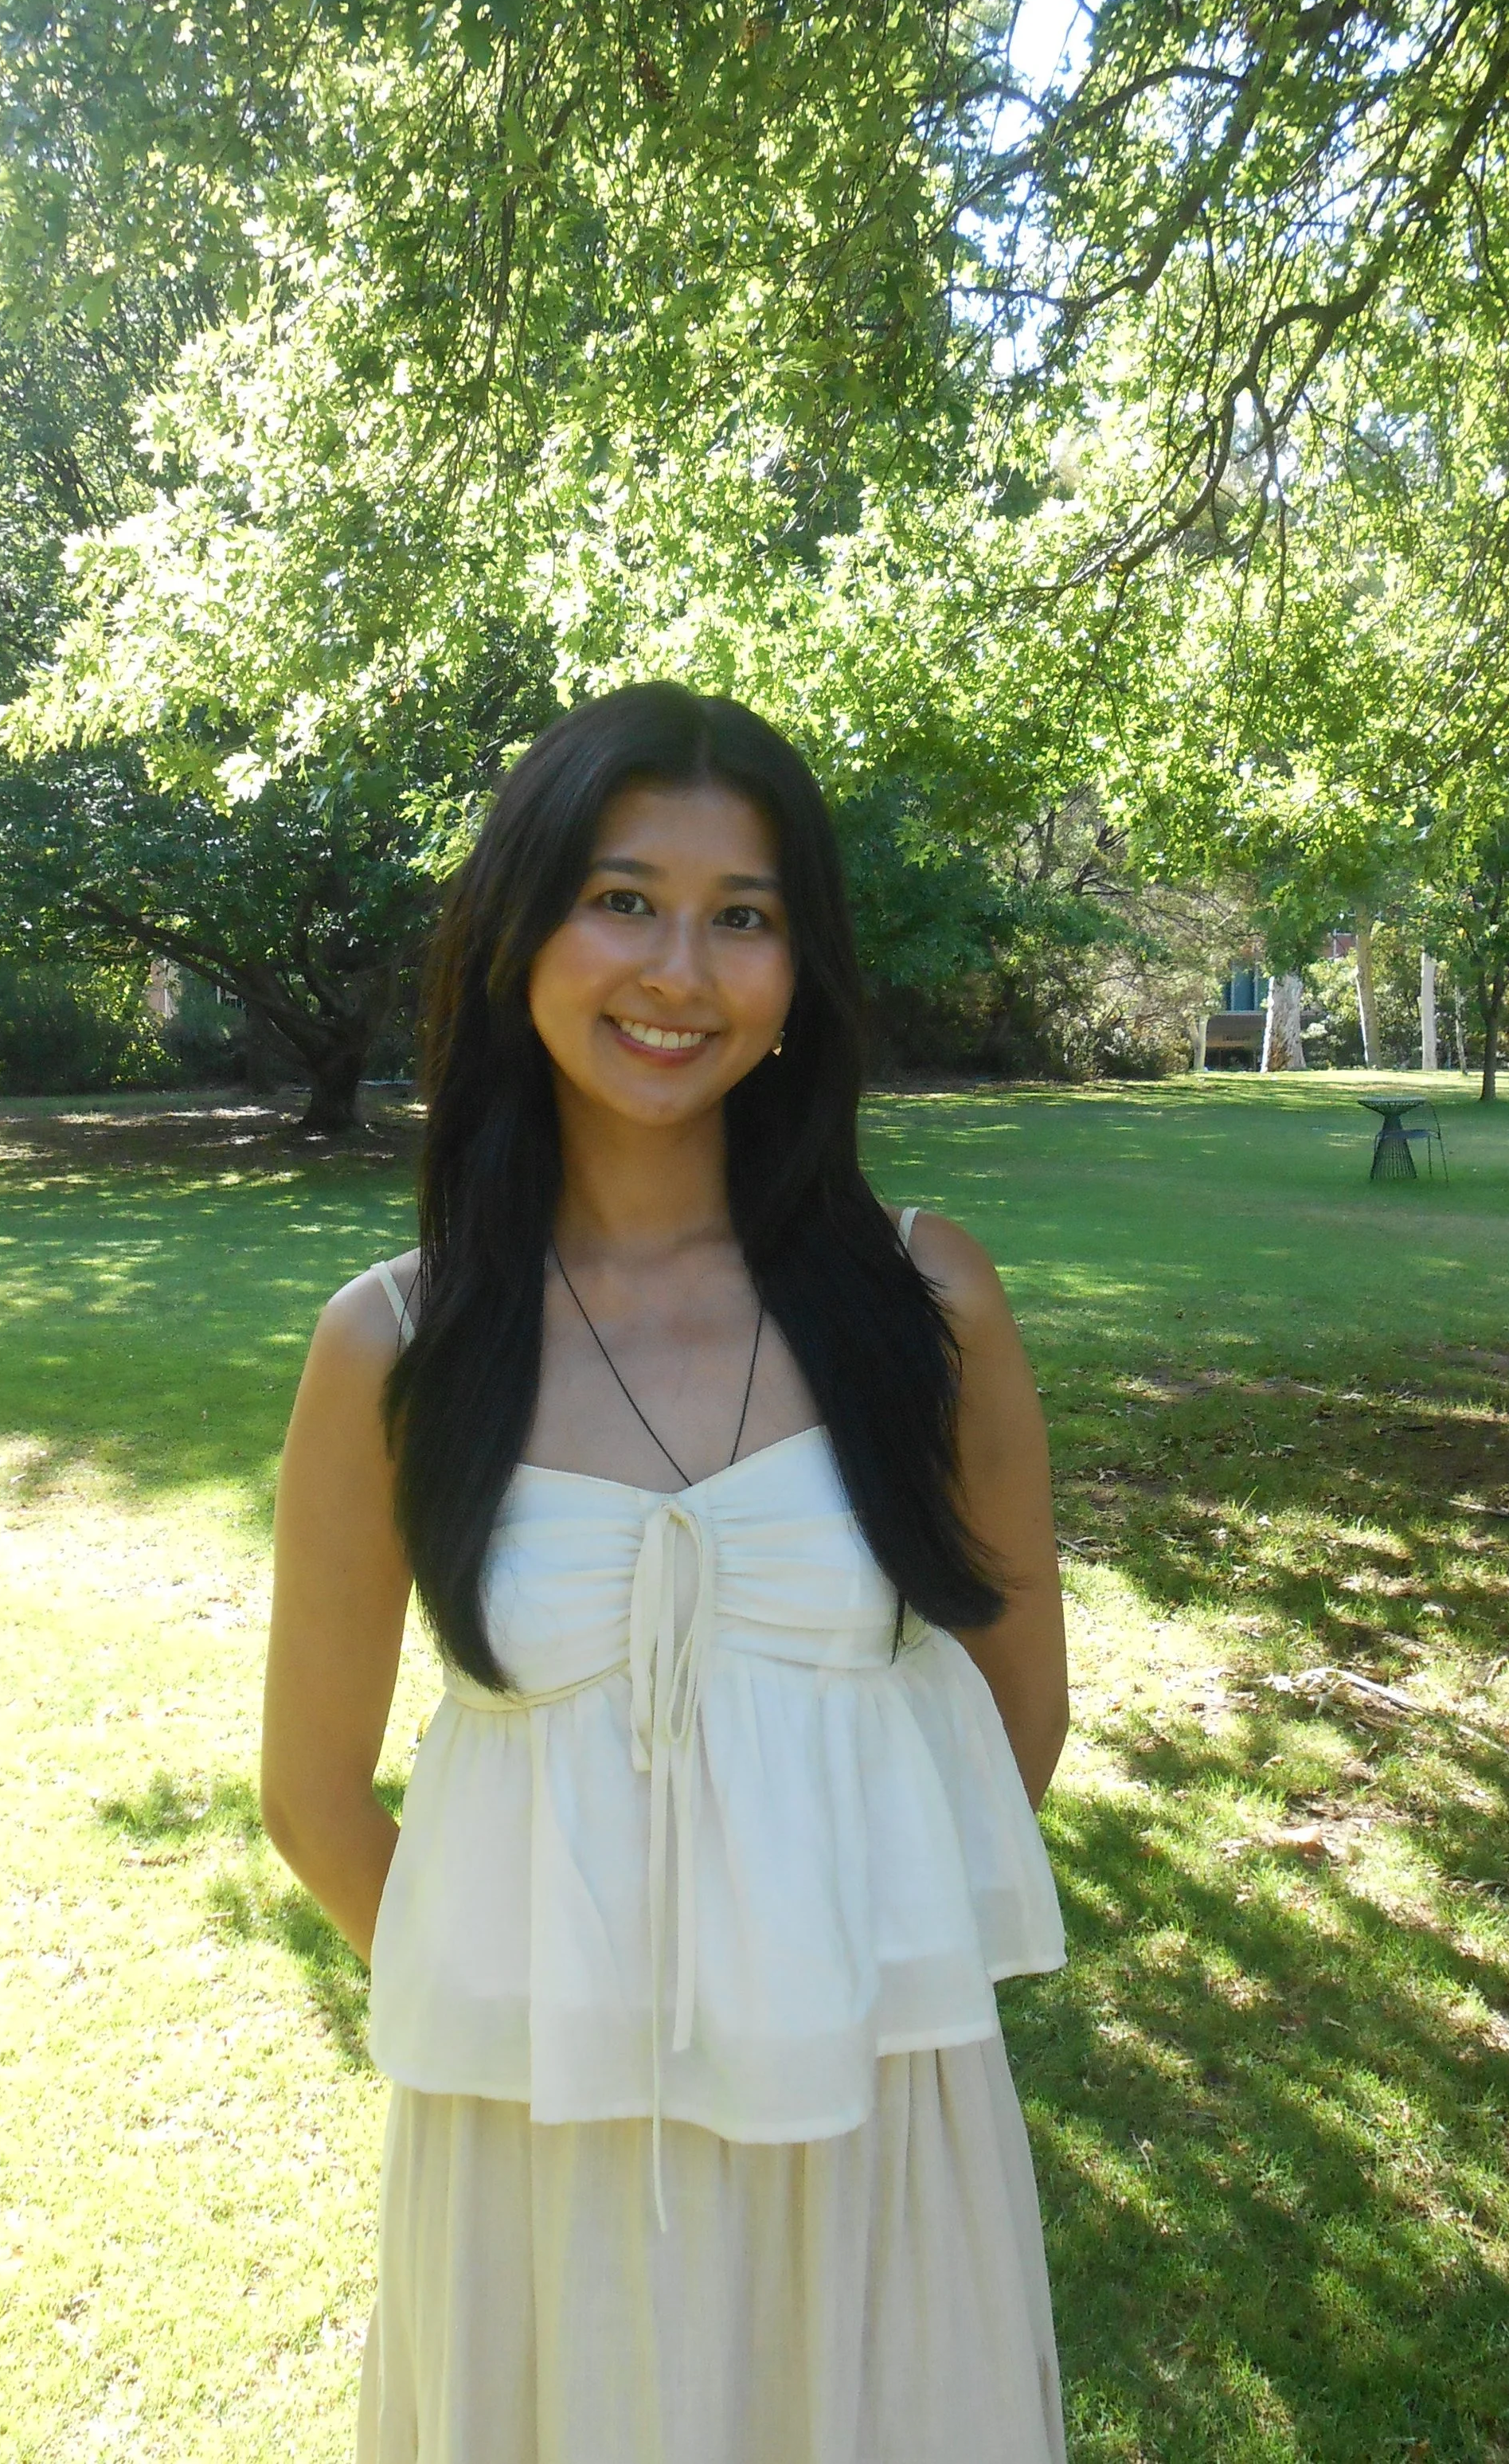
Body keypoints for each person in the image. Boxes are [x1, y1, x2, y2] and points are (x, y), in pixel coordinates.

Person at [261, 682, 1070, 2464]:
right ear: (520, 929)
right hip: (533, 2137)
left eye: (743, 917)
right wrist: (540, 1992)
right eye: (622, 898)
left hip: (865, 2105)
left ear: (803, 970)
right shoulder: (392, 1347)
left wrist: (819, 1965)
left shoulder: (926, 1301)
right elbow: (314, 1792)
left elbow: (1013, 1718)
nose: (677, 973)